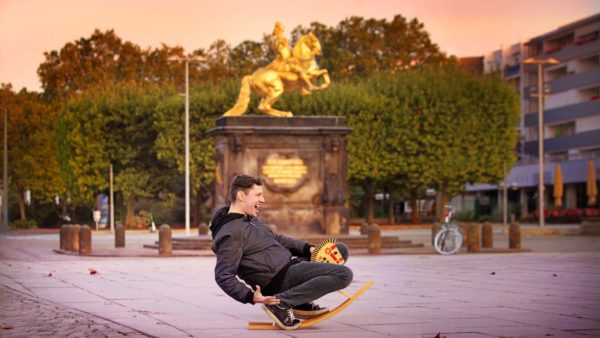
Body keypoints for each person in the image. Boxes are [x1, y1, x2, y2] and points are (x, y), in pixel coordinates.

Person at [210, 174, 353, 330]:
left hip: (290, 266)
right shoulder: (231, 233)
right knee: (344, 275)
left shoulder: (248, 219)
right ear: (241, 196)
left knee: (340, 250)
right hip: (279, 279)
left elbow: (277, 239)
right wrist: (250, 296)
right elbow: (223, 275)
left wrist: (308, 248)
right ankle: (281, 303)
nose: (263, 200)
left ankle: (299, 302)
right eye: (258, 195)